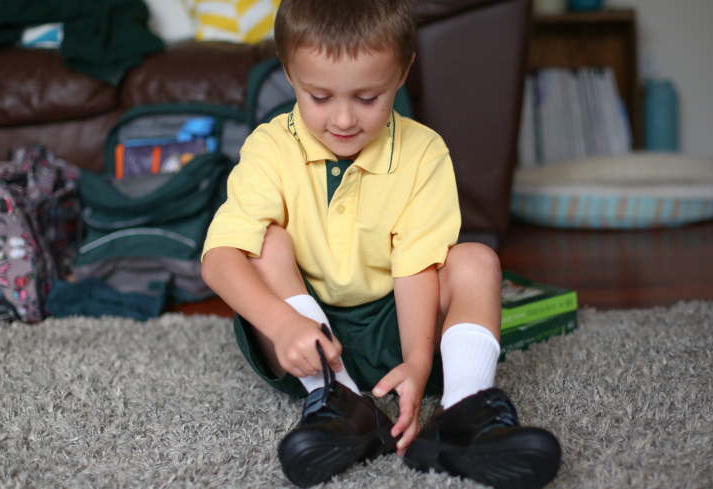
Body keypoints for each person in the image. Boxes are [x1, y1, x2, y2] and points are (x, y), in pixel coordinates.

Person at [201, 0, 561, 487]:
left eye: (368, 97)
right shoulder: (269, 147)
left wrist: (416, 362)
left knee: (477, 260)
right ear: (289, 73)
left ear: (402, 71)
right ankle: (339, 402)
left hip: (400, 326)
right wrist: (282, 324)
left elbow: (416, 268)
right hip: (305, 337)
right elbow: (220, 259)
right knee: (264, 243)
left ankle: (462, 414)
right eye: (320, 97)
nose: (344, 119)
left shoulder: (423, 153)